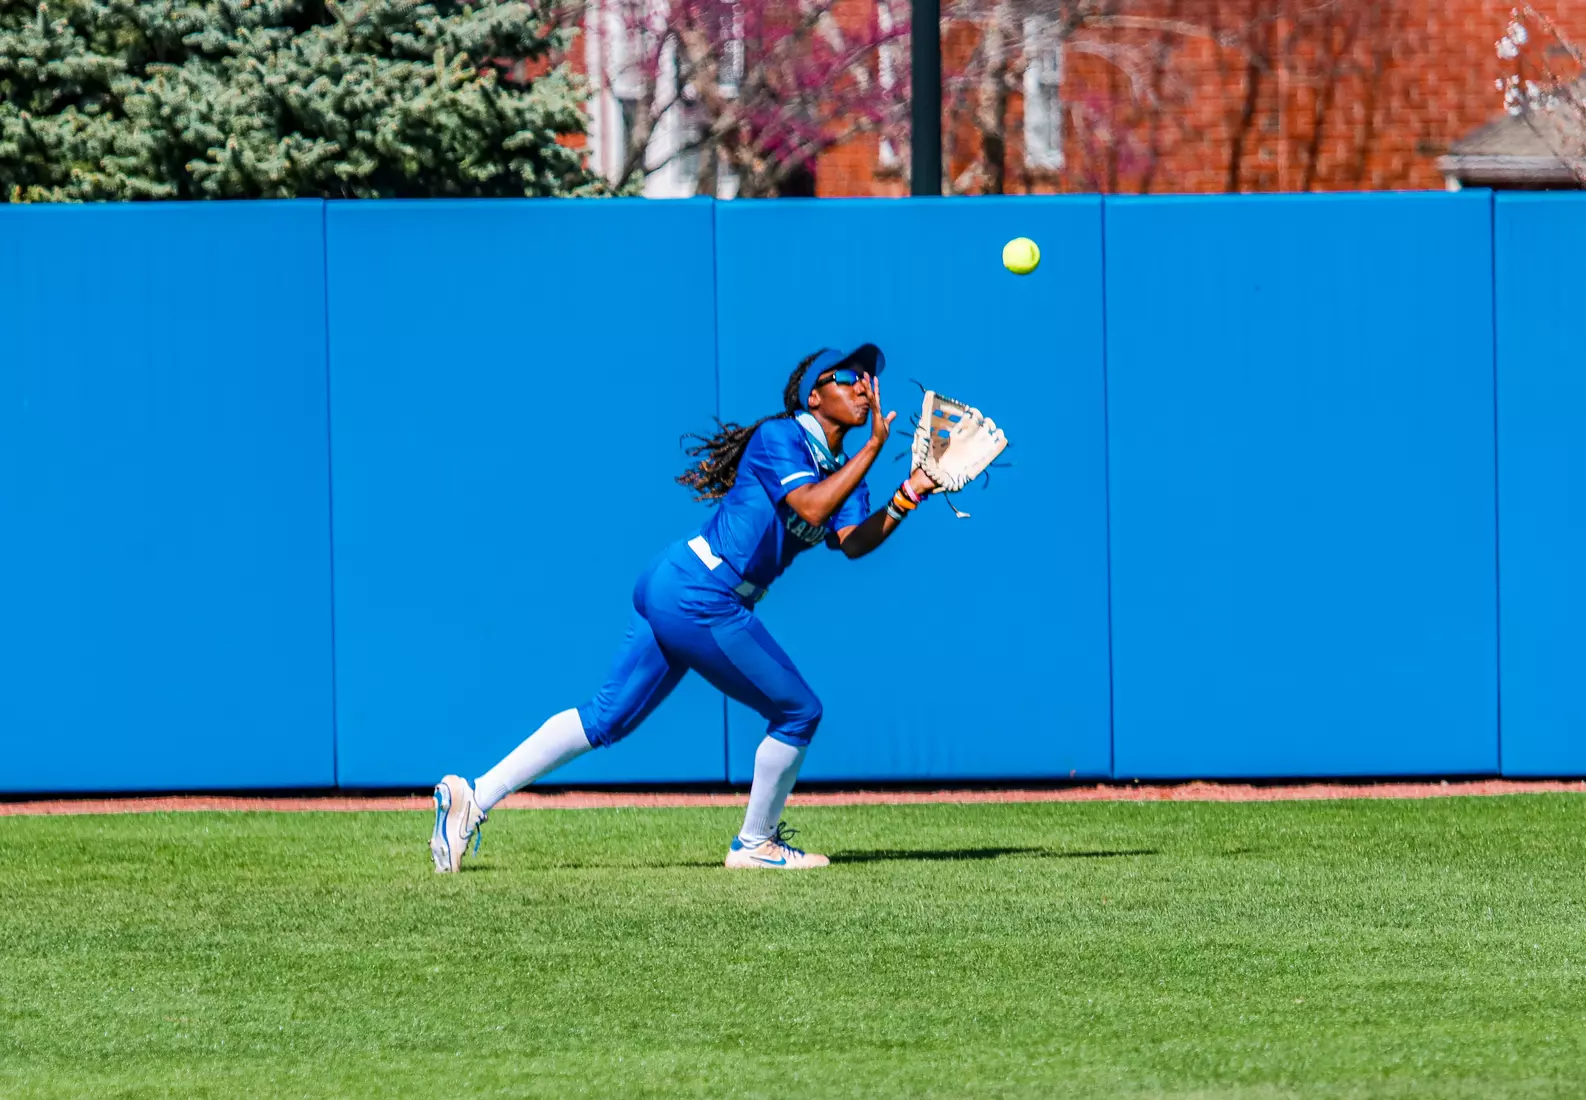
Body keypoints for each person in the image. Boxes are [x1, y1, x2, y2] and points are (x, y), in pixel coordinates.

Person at [429, 343, 940, 872]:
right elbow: (811, 506)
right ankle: (755, 844)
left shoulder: (840, 468)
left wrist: (910, 492)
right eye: (848, 376)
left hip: (683, 584)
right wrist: (877, 446)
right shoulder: (783, 436)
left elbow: (852, 540)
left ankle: (473, 797)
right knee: (799, 711)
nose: (863, 385)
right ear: (815, 395)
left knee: (605, 719)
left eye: (867, 378)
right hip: (703, 593)